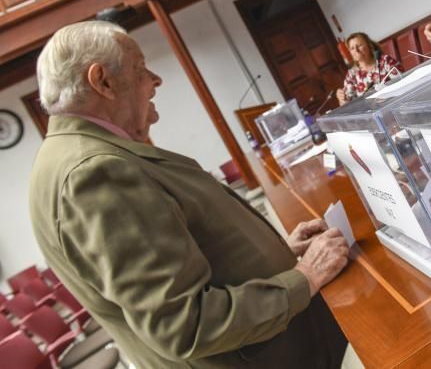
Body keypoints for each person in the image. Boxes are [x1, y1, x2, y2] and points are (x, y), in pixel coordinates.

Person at [29, 21, 351, 369]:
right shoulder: (92, 173)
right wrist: (305, 277)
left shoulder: (73, 155)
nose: (156, 80)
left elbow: (177, 256)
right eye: (140, 69)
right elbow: (184, 324)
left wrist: (276, 254)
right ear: (102, 81)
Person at [336, 32, 402, 105]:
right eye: (352, 48)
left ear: (369, 46)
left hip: (394, 104)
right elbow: (348, 104)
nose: (356, 50)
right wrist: (342, 99)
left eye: (359, 45)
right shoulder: (351, 74)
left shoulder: (385, 61)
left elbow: (401, 82)